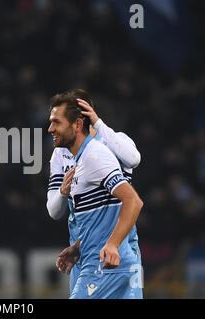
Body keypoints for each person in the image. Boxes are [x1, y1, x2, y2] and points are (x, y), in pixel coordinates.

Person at [47, 89, 143, 298]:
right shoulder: (74, 157)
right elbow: (102, 216)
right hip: (97, 252)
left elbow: (133, 200)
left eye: (56, 122)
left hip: (106, 258)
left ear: (79, 122)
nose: (50, 129)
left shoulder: (96, 154)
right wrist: (79, 246)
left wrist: (113, 243)